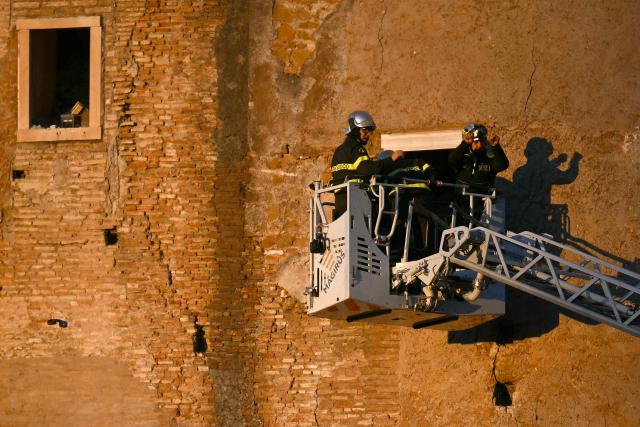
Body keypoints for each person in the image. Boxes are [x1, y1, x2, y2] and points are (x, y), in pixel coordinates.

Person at [331, 111, 404, 218]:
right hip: (356, 199)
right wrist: (391, 159)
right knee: (381, 220)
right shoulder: (356, 148)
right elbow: (367, 169)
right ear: (355, 129)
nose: (368, 134)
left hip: (341, 202)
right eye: (365, 130)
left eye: (370, 131)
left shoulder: (339, 151)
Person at [448, 123, 509, 221]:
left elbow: (502, 165)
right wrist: (465, 143)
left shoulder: (488, 157)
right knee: (459, 226)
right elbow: (452, 160)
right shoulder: (463, 156)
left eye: (481, 141)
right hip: (461, 199)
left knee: (478, 229)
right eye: (475, 142)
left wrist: (496, 147)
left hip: (481, 203)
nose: (478, 145)